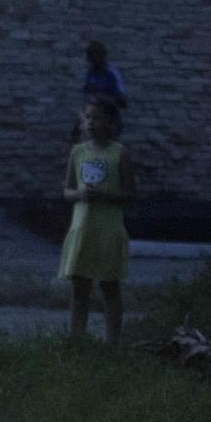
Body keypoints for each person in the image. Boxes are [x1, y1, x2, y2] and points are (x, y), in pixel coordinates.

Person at [60, 96, 135, 344]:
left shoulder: (119, 153)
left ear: (111, 122)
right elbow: (67, 190)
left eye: (97, 118)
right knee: (79, 289)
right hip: (83, 227)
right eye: (87, 118)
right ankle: (76, 339)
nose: (91, 123)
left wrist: (105, 195)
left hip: (109, 229)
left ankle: (113, 341)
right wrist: (80, 194)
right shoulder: (78, 152)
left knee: (109, 287)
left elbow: (130, 194)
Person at [71, 41, 127, 142]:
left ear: (103, 56)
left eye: (95, 56)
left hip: (109, 123)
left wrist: (102, 99)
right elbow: (86, 101)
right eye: (90, 58)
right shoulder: (91, 74)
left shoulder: (112, 73)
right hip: (92, 125)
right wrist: (78, 124)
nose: (92, 60)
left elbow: (122, 101)